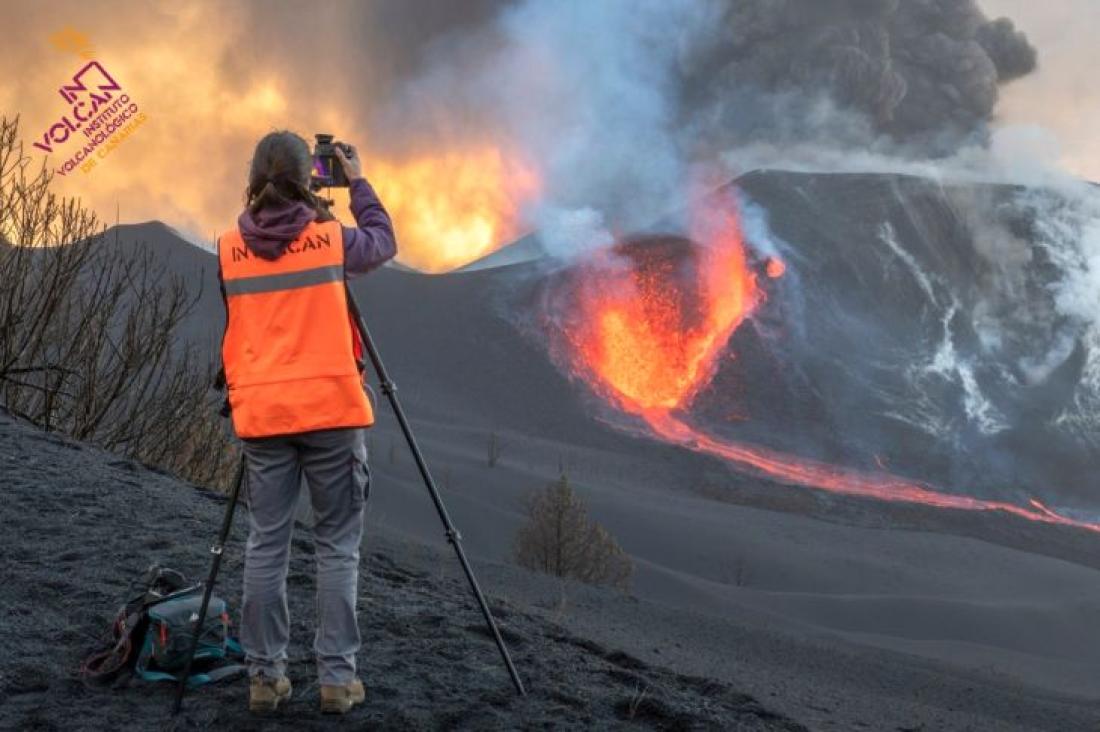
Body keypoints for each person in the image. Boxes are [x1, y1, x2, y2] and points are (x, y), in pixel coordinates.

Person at [215, 130, 396, 714]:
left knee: (267, 544)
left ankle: (265, 678)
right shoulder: (329, 242)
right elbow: (382, 242)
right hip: (331, 413)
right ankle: (337, 681)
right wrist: (358, 182)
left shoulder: (227, 249)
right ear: (309, 176)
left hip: (264, 417)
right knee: (336, 546)